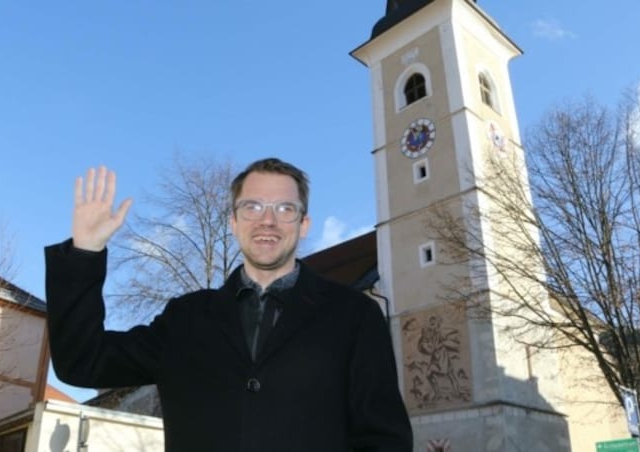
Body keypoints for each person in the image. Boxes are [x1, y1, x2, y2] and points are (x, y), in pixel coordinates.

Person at [45, 158, 413, 452]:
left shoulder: (354, 315)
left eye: (285, 208)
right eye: (252, 206)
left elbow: (384, 440)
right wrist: (84, 253)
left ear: (303, 224)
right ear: (234, 222)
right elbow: (82, 361)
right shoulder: (185, 319)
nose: (267, 219)